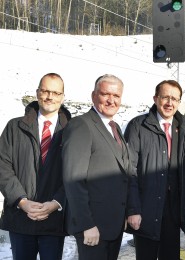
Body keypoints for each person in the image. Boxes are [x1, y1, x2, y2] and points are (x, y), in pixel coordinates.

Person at [124, 80, 185, 260]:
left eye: (174, 98)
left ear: (179, 102)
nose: (169, 102)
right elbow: (129, 170)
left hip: (174, 210)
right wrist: (133, 209)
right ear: (155, 98)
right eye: (165, 97)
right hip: (146, 209)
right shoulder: (138, 126)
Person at [0, 73, 70, 260]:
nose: (50, 97)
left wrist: (56, 203)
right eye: (45, 91)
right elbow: (3, 166)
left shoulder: (73, 131)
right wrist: (22, 201)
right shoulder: (15, 127)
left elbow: (78, 172)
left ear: (62, 97)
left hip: (55, 219)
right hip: (21, 218)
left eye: (55, 92)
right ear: (37, 92)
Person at [62, 74, 132, 260]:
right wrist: (86, 224)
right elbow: (73, 180)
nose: (111, 100)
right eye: (105, 94)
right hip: (93, 227)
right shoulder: (81, 125)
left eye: (116, 96)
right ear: (94, 96)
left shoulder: (114, 127)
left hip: (113, 226)